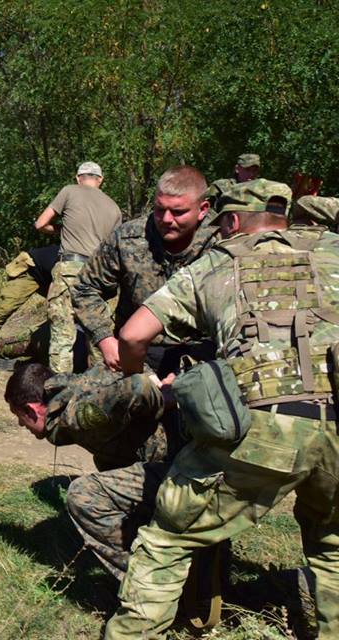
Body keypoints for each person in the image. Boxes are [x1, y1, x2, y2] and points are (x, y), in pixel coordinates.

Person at [105, 179, 339, 638]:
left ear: (230, 222)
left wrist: (142, 378)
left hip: (264, 427)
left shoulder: (215, 264)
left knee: (169, 538)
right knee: (334, 547)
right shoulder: (332, 250)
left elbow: (133, 336)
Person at [6, 361, 188, 581]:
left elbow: (139, 386)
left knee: (83, 497)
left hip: (180, 468)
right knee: (106, 460)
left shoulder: (76, 414)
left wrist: (164, 397)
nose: (19, 424)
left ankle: (147, 582)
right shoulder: (82, 382)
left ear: (31, 409)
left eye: (19, 416)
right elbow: (135, 368)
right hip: (185, 453)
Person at [72, 165, 218, 377]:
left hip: (201, 356)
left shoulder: (222, 242)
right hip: (135, 354)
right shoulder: (128, 238)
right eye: (160, 209)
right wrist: (104, 338)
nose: (167, 219)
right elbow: (85, 287)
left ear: (203, 209)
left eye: (178, 212)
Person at [35, 161, 121, 373]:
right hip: (98, 273)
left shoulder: (69, 191)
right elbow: (113, 249)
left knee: (63, 336)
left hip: (70, 269)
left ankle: (60, 392)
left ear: (78, 178)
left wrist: (60, 231)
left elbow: (40, 224)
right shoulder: (114, 208)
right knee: (98, 337)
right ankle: (100, 390)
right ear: (100, 180)